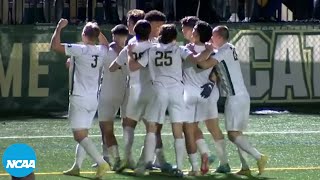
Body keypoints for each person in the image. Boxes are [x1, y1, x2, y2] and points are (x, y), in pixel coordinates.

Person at [129, 24, 213, 176]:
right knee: (177, 130)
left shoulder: (152, 49)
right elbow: (198, 60)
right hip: (176, 91)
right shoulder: (179, 49)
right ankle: (179, 168)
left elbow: (134, 66)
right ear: (174, 37)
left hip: (158, 90)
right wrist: (208, 50)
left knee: (152, 128)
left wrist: (130, 54)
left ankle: (144, 165)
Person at [197, 25, 268, 176]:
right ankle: (245, 167)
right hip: (241, 96)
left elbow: (203, 64)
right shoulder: (228, 48)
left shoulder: (223, 51)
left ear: (220, 37)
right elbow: (217, 70)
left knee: (233, 134)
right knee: (238, 134)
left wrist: (203, 52)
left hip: (235, 97)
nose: (210, 39)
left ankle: (258, 157)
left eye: (213, 36)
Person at [50, 18, 110, 179]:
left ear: (84, 34)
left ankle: (101, 162)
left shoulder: (80, 49)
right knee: (84, 134)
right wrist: (97, 32)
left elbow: (54, 46)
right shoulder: (101, 50)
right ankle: (77, 166)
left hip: (79, 97)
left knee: (79, 135)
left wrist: (59, 27)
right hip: (93, 98)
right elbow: (105, 44)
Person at [183, 20, 230, 175]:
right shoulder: (213, 51)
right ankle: (224, 162)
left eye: (193, 30)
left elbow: (195, 61)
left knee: (191, 128)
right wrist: (211, 82)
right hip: (208, 94)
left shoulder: (186, 49)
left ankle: (203, 156)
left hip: (191, 94)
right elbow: (216, 70)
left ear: (196, 33)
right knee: (214, 128)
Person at [109, 20, 153, 172]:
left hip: (134, 89)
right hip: (152, 90)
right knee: (152, 128)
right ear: (150, 32)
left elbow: (112, 67)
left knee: (129, 125)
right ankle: (145, 160)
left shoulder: (129, 47)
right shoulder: (155, 47)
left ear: (134, 31)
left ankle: (128, 157)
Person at [93, 24, 129, 170]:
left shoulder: (108, 50)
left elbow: (106, 45)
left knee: (106, 129)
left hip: (108, 92)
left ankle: (116, 159)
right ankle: (107, 157)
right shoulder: (130, 51)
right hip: (123, 92)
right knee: (114, 128)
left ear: (115, 36)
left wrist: (97, 31)